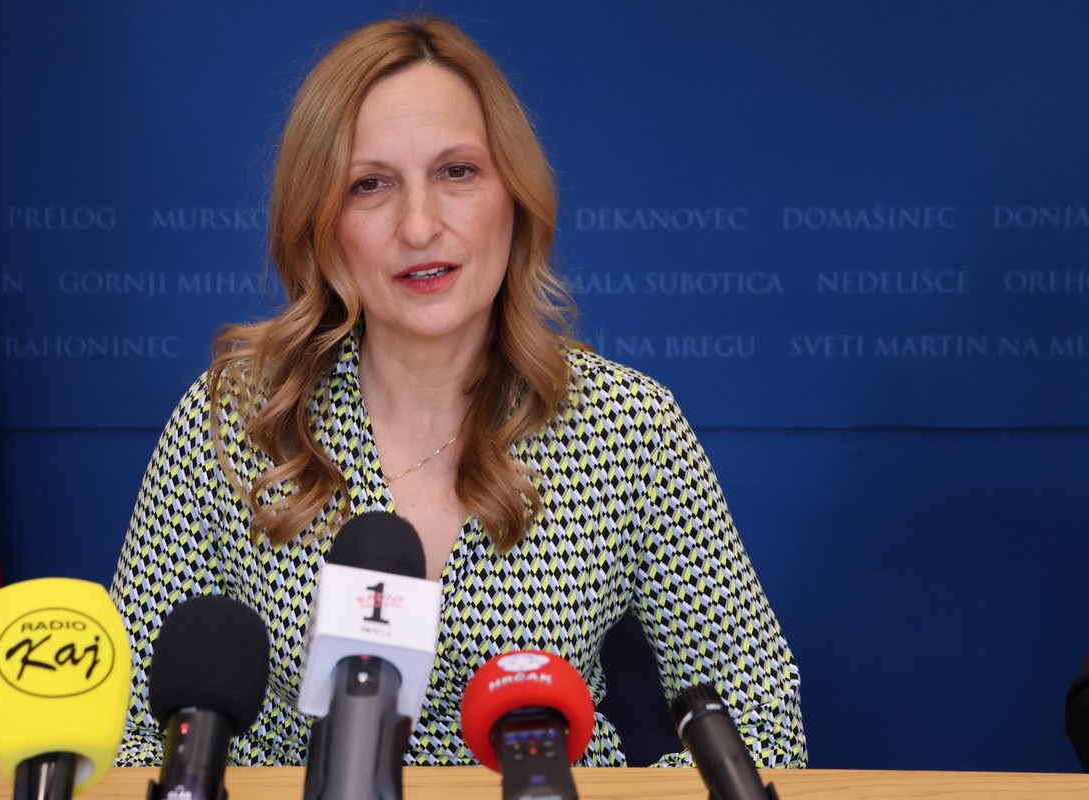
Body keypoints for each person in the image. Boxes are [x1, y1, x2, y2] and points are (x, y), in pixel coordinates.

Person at [109, 14, 806, 769]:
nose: (419, 226)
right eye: (370, 185)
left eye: (457, 172)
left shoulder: (628, 426)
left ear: (515, 194)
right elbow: (129, 731)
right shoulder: (235, 419)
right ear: (321, 221)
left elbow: (761, 722)